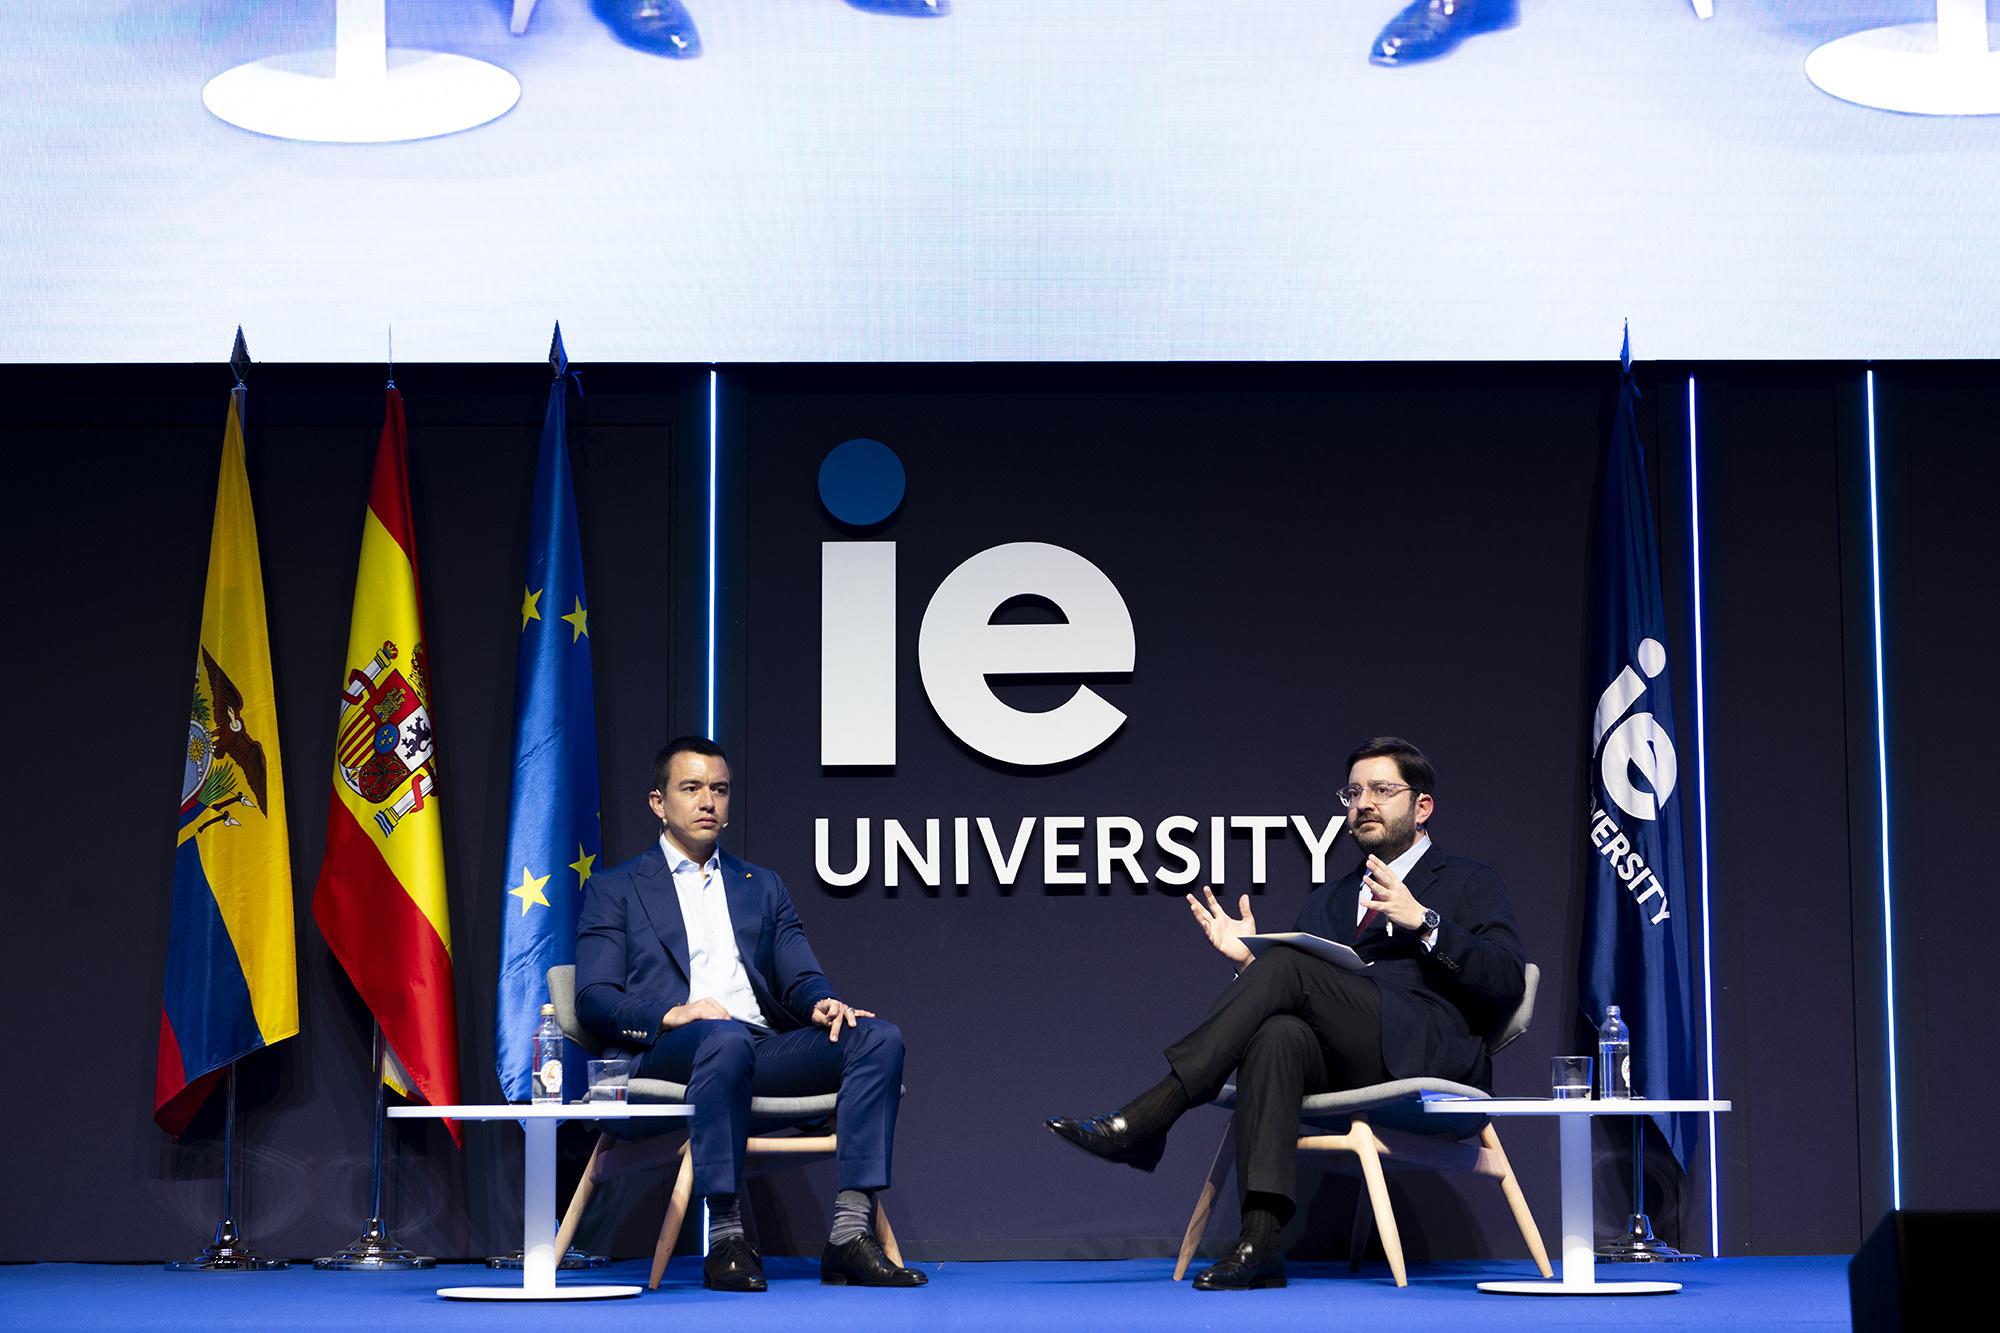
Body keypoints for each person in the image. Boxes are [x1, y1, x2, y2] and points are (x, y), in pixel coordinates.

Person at [1046, 737, 1525, 1290]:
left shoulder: (1467, 879)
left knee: (1288, 968)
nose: (1364, 803)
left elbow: (1507, 979)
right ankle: (1261, 1241)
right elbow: (1301, 993)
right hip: (1344, 1059)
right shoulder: (1330, 898)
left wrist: (1426, 922)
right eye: (1354, 792)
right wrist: (1247, 964)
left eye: (1381, 789)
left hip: (1424, 1048)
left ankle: (1155, 1113)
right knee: (1277, 1032)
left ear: (1422, 807)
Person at [576, 736, 925, 1290]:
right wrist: (671, 1014)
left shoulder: (760, 885)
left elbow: (799, 976)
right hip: (673, 1049)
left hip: (757, 1049)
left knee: (876, 1037)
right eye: (691, 788)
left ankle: (849, 1235)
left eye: (719, 789)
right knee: (722, 1036)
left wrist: (821, 1002)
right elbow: (593, 997)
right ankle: (727, 1237)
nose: (707, 801)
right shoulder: (615, 887)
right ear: (658, 803)